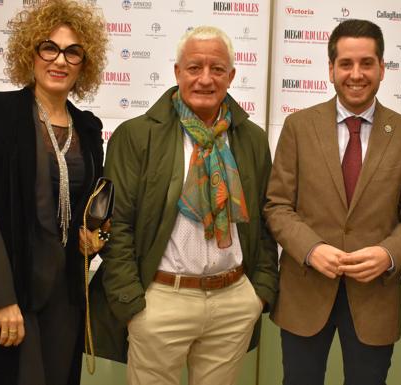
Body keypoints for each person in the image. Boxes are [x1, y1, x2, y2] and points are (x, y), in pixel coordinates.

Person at [89, 25, 278, 385]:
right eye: (194, 68)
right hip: (161, 301)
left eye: (217, 69)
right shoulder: (137, 135)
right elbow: (118, 225)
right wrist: (132, 306)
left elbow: (266, 221)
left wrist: (259, 294)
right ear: (177, 72)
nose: (205, 79)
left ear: (231, 75)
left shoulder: (251, 138)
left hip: (234, 300)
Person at [0, 1, 109, 384]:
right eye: (48, 48)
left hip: (63, 301)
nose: (59, 60)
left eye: (73, 52)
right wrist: (0, 299)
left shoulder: (88, 129)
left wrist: (97, 237)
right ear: (29, 53)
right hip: (5, 294)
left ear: (85, 63)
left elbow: (91, 210)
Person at [264, 19, 401, 385]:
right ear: (331, 69)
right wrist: (310, 249)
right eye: (346, 64)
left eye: (367, 63)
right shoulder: (298, 127)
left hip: (374, 298)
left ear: (382, 68)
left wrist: (388, 254)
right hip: (305, 290)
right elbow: (277, 205)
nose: (356, 74)